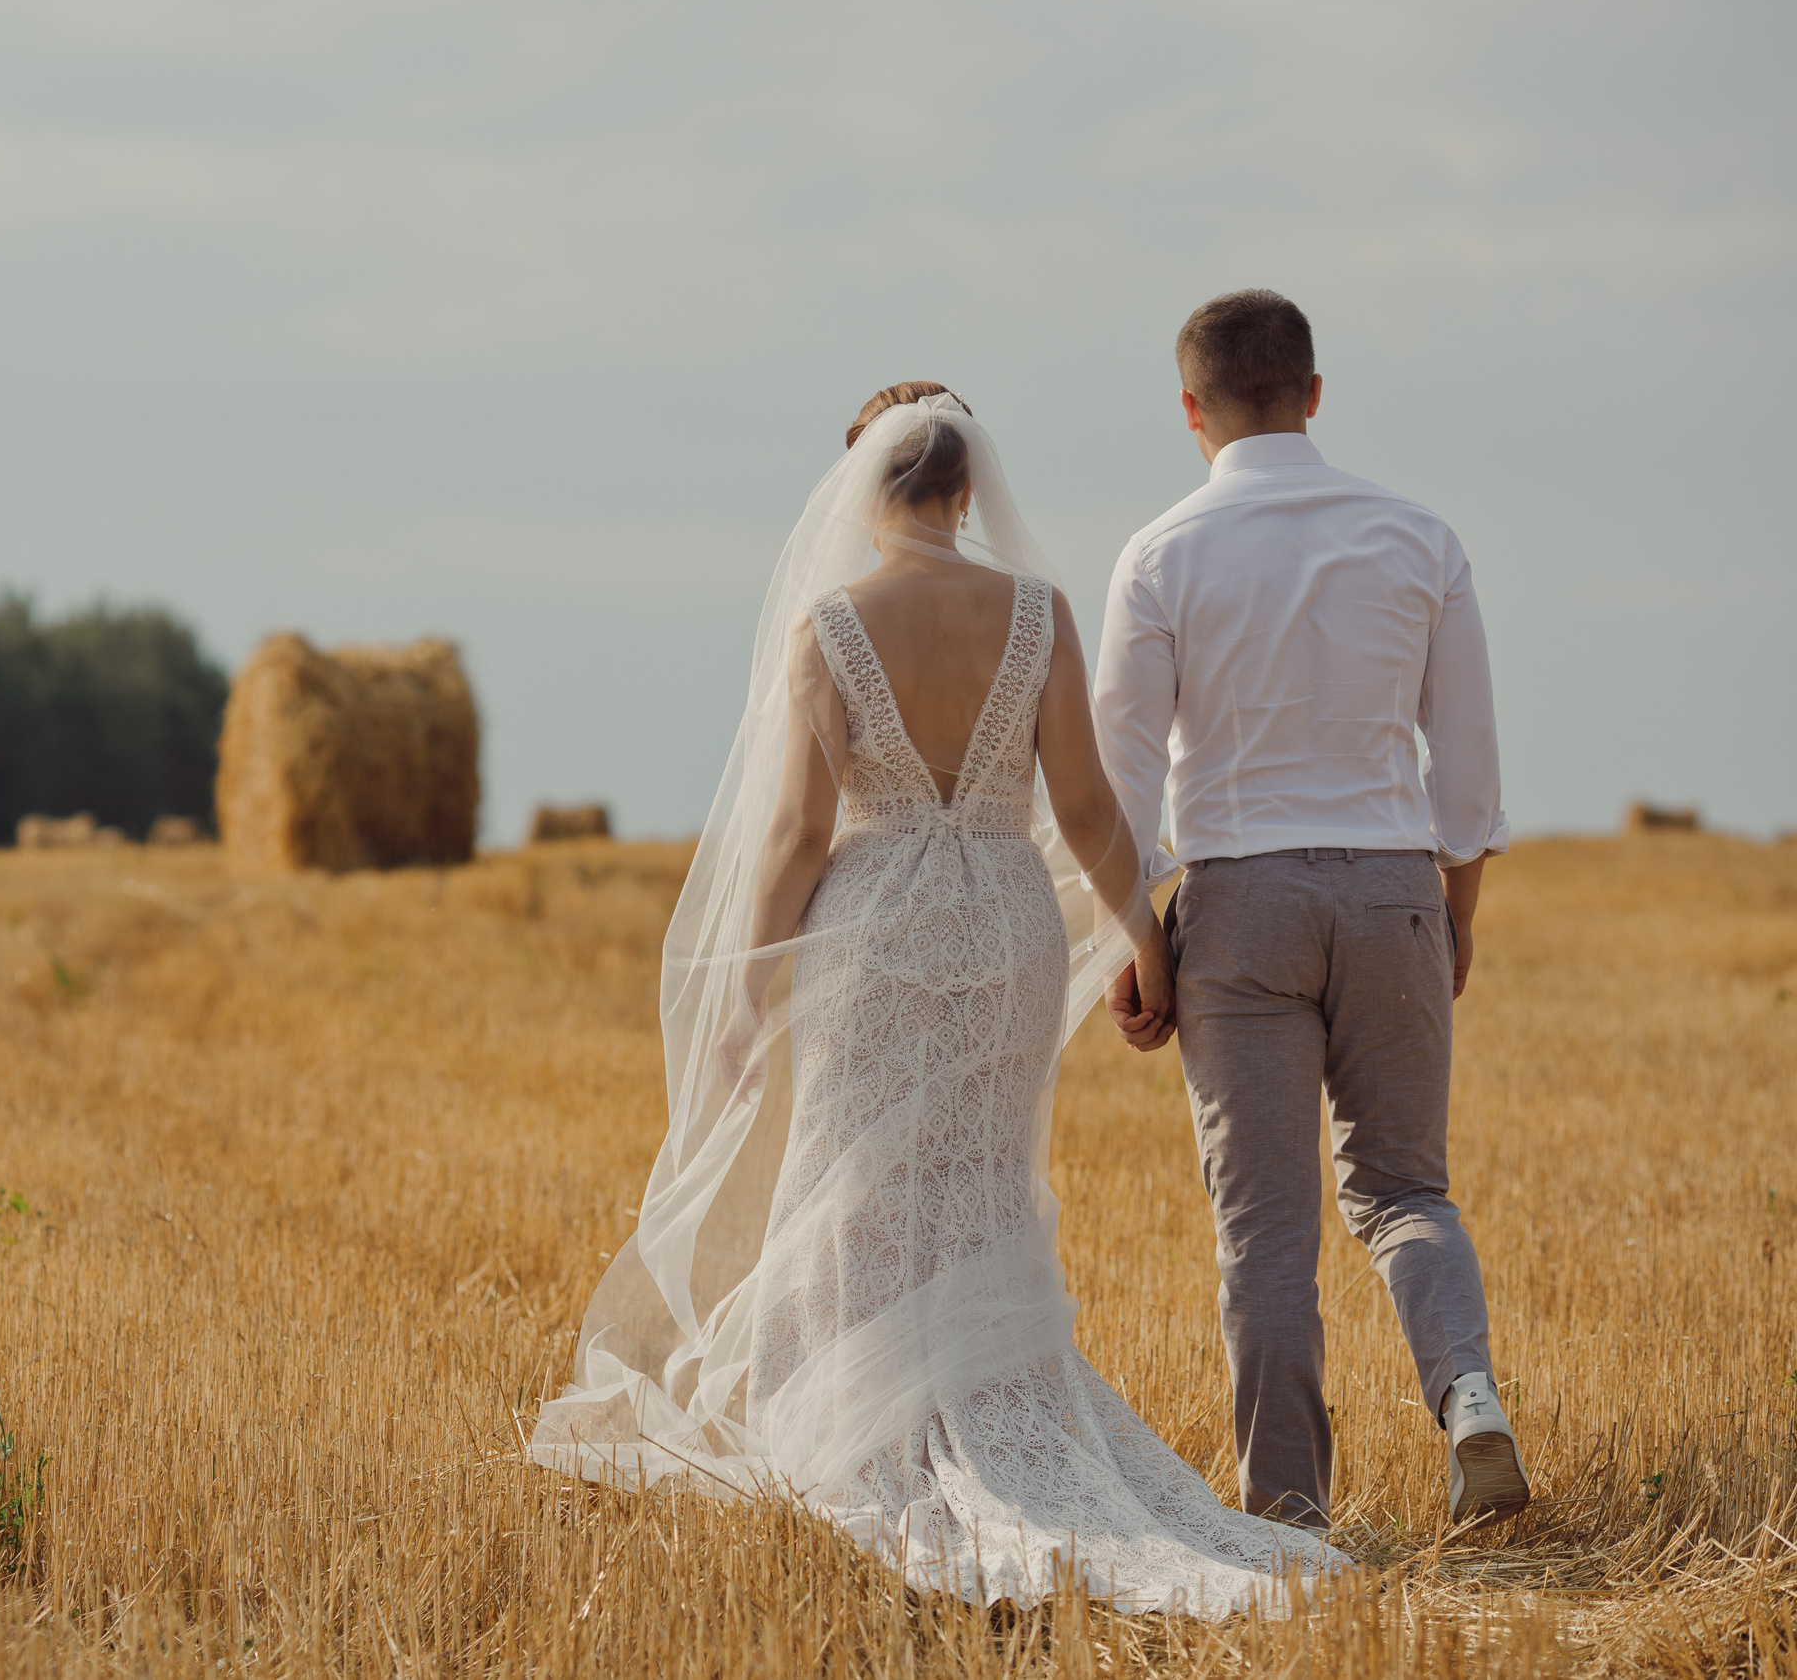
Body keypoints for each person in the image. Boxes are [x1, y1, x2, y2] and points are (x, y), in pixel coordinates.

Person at [530, 383, 1348, 1613]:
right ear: (969, 489)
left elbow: (801, 836)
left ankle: (870, 1427)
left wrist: (749, 989)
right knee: (976, 1181)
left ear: (863, 496)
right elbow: (1083, 809)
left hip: (875, 928)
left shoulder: (829, 626)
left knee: (856, 1181)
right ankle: (994, 1410)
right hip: (1008, 925)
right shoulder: (1038, 614)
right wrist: (1147, 943)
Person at [1093, 290, 1526, 1531]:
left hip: (1237, 902)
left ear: (1190, 412)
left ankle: (1288, 1515)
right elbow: (1469, 766)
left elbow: (1122, 783)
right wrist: (1456, 912)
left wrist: (1139, 943)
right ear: (1315, 392)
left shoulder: (1159, 553)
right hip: (1392, 886)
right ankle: (1470, 1401)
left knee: (1266, 1235)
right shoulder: (1419, 537)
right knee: (1404, 1192)